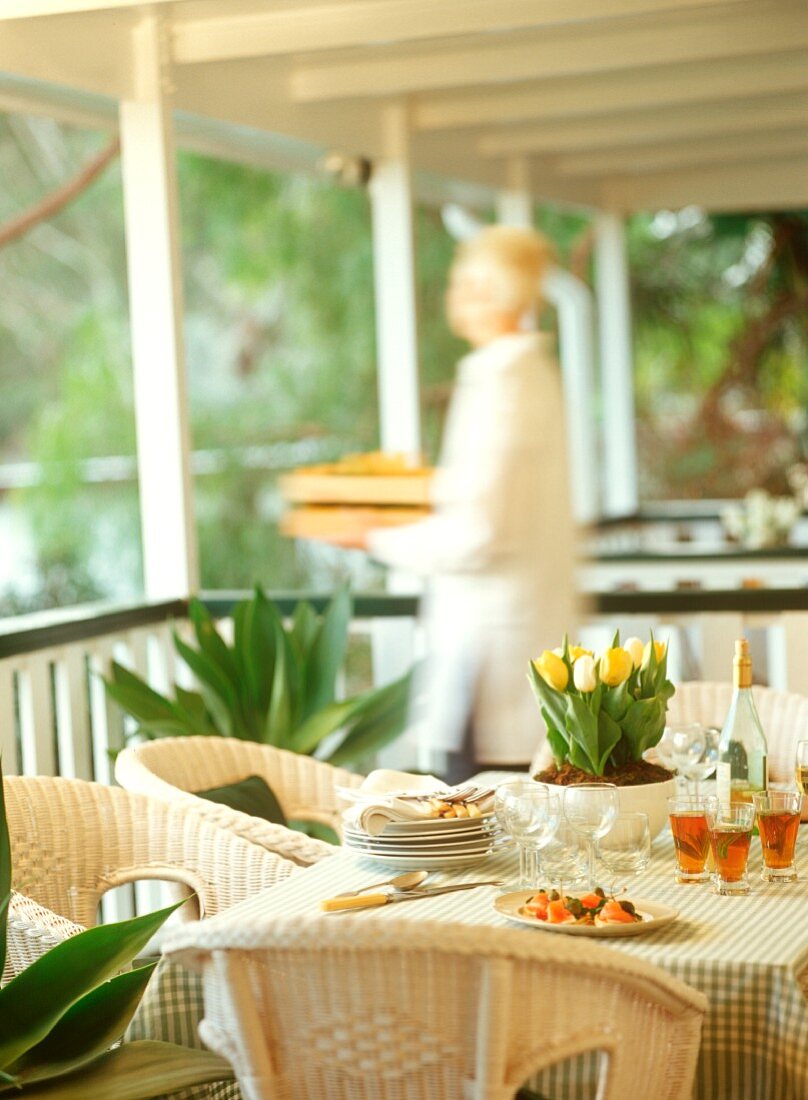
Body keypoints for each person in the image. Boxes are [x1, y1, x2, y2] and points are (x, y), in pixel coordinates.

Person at [343, 226, 578, 780]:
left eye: (471, 285)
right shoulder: (527, 375)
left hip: (491, 652)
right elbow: (487, 491)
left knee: (485, 823)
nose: (459, 298)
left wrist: (370, 536)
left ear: (504, 294)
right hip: (514, 641)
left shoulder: (505, 383)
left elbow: (480, 533)